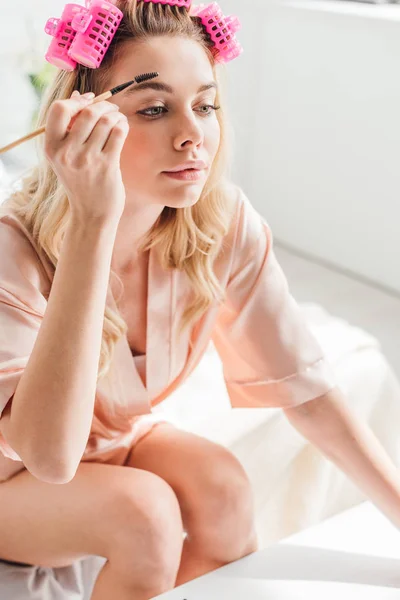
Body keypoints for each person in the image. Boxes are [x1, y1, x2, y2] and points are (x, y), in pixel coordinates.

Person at [0, 1, 399, 598]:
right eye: (155, 109)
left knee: (225, 487)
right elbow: (49, 458)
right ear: (83, 124)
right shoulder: (15, 247)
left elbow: (308, 390)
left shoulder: (220, 224)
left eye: (206, 105)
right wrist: (92, 221)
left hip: (110, 444)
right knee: (145, 516)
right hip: (13, 472)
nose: (192, 135)